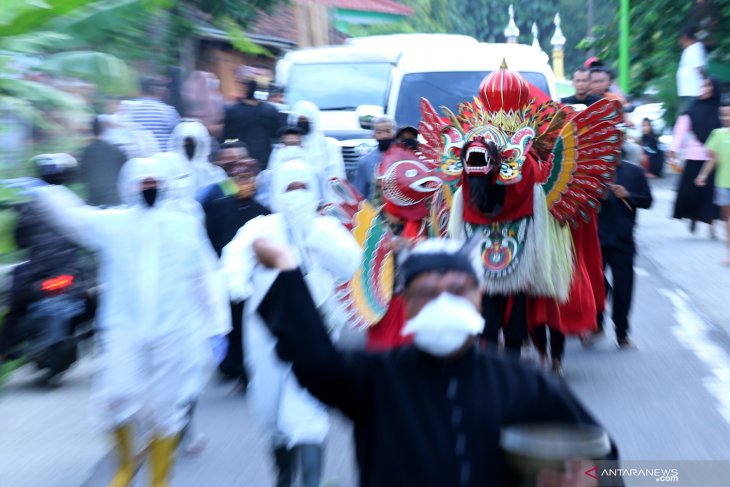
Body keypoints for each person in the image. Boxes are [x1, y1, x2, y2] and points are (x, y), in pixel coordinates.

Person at [253, 237, 618, 487]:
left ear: (479, 297)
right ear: (406, 302)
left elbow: (612, 459)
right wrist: (287, 268)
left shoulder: (524, 381)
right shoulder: (377, 378)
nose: (443, 303)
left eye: (458, 291)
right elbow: (315, 362)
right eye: (427, 293)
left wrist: (589, 480)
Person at [8, 156, 230, 487]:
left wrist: (217, 327)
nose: (149, 188)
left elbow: (205, 276)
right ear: (129, 186)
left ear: (165, 185)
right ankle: (125, 467)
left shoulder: (184, 224)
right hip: (124, 329)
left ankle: (158, 479)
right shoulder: (115, 224)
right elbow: (75, 218)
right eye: (142, 183)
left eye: (154, 182)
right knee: (115, 398)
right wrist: (47, 194)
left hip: (175, 328)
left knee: (167, 409)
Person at [221, 159, 360, 487]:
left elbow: (350, 264)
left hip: (315, 332)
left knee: (307, 416)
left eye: (303, 188)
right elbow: (234, 256)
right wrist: (236, 282)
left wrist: (313, 236)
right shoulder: (260, 228)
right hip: (267, 334)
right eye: (289, 188)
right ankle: (284, 477)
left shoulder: (326, 228)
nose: (296, 195)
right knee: (272, 417)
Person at [204, 153, 269, 384]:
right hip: (222, 273)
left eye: (248, 178)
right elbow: (208, 239)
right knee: (228, 323)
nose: (244, 183)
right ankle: (230, 365)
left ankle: (247, 369)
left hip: (253, 276)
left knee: (249, 323)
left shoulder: (263, 211)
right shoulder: (216, 208)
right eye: (239, 178)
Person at [596, 151, 653, 348]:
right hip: (597, 239)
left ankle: (622, 333)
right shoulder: (591, 170)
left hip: (623, 240)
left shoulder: (634, 172)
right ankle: (595, 322)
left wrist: (628, 194)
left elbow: (647, 200)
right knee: (596, 285)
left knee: (624, 290)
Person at [668, 77, 722, 237]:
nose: (704, 88)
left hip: (714, 158)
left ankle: (711, 223)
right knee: (691, 193)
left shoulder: (721, 109)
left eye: (708, 85)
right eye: (703, 85)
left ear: (715, 89)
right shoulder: (692, 108)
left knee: (712, 194)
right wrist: (673, 149)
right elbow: (681, 130)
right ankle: (693, 217)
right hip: (693, 156)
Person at [222, 71, 282, 169]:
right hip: (263, 159)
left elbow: (227, 138)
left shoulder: (233, 110)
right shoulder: (270, 109)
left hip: (242, 161)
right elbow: (277, 136)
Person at [287, 101, 346, 193]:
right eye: (299, 120)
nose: (301, 123)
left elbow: (335, 177)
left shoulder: (328, 147)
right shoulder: (285, 147)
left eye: (304, 120)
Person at [696, 105, 730, 265]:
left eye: (729, 114)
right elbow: (713, 159)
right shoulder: (717, 134)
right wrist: (703, 175)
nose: (726, 118)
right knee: (728, 219)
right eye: (723, 114)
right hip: (724, 183)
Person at [119, 76, 180, 151]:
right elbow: (177, 137)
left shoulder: (127, 108)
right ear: (160, 92)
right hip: (162, 158)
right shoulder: (168, 111)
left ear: (140, 90)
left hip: (134, 158)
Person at [169, 119, 226, 198]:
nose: (189, 147)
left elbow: (230, 193)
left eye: (193, 143)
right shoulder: (169, 171)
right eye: (186, 143)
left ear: (202, 144)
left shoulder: (215, 172)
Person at [78, 116, 127, 206]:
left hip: (96, 200)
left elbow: (82, 177)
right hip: (117, 200)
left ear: (91, 131)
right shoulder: (117, 150)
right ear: (105, 130)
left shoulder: (87, 151)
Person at [354, 116, 396, 200]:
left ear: (395, 132)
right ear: (374, 135)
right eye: (379, 132)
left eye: (388, 131)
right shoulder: (365, 161)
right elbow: (359, 194)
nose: (384, 136)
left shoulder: (404, 157)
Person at [677, 27, 707, 112]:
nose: (679, 42)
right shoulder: (688, 49)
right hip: (687, 92)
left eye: (680, 39)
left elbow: (700, 69)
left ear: (685, 37)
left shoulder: (696, 48)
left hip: (694, 92)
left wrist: (704, 88)